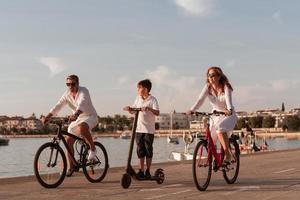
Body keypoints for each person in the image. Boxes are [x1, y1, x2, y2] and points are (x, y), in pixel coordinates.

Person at [42, 74, 99, 176]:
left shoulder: (83, 91)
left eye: (72, 84)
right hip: (77, 119)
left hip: (90, 116)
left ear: (77, 83)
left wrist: (76, 114)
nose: (70, 86)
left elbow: (82, 102)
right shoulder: (67, 94)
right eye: (68, 84)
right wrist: (48, 116)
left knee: (82, 128)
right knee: (68, 141)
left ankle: (93, 149)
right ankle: (71, 167)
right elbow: (58, 105)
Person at [186, 66, 237, 165]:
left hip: (228, 115)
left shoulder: (226, 86)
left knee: (220, 129)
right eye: (209, 75)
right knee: (210, 141)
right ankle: (215, 159)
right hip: (216, 115)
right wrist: (192, 110)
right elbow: (200, 100)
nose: (210, 77)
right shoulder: (208, 87)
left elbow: (228, 100)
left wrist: (229, 110)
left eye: (213, 75)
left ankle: (228, 155)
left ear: (219, 76)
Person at [123, 79, 160, 179]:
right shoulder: (138, 98)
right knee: (140, 150)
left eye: (139, 88)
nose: (137, 89)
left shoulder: (153, 100)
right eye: (138, 88)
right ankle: (141, 170)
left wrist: (149, 109)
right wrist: (129, 109)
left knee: (148, 150)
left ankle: (147, 171)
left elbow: (157, 112)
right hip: (138, 129)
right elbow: (134, 109)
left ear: (146, 89)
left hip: (148, 130)